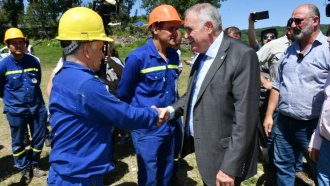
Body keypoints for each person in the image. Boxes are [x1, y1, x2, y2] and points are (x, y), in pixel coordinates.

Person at [47, 7, 162, 186]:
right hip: (80, 178)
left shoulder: (62, 76)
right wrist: (154, 114)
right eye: (101, 48)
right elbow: (124, 116)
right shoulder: (86, 84)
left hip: (66, 172)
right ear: (87, 48)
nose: (103, 54)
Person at [160, 3, 260, 185]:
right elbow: (192, 95)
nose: (186, 36)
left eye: (189, 30)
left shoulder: (242, 55)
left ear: (208, 27)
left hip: (225, 159)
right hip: (206, 152)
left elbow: (245, 118)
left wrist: (230, 167)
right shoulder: (201, 55)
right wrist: (169, 111)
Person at [263, 4, 330, 186]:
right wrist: (269, 115)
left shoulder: (327, 49)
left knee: (321, 172)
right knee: (283, 166)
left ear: (315, 21)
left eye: (298, 20)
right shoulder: (289, 50)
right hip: (284, 123)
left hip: (313, 127)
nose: (293, 24)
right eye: (292, 20)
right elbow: (277, 85)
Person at [116, 4, 183, 186]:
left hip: (169, 125)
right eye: (171, 28)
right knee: (149, 177)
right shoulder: (137, 58)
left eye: (177, 28)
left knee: (167, 170)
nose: (175, 33)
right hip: (147, 129)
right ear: (155, 28)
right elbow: (123, 93)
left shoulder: (174, 57)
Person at [257, 18, 313, 186]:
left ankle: (298, 168)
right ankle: (272, 169)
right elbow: (252, 61)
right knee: (276, 145)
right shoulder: (277, 47)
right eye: (291, 26)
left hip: (308, 113)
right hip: (279, 107)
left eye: (298, 23)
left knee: (312, 155)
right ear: (287, 29)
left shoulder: (317, 46)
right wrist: (265, 82)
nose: (294, 28)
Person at [0, 27, 47, 184]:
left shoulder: (34, 61)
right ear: (8, 45)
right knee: (18, 141)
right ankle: (24, 168)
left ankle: (35, 163)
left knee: (39, 138)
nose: (19, 46)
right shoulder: (3, 65)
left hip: (36, 107)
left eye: (21, 42)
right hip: (16, 110)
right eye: (14, 43)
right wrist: (12, 101)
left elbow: (37, 81)